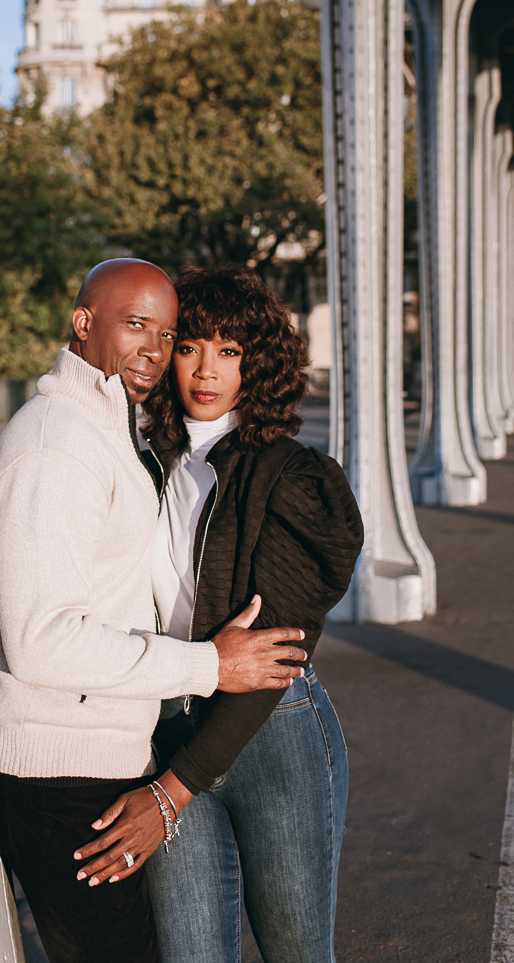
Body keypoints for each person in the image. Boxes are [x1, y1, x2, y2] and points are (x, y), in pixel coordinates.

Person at [0, 259, 309, 963]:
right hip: (59, 771)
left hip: (104, 751)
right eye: (137, 327)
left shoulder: (112, 432)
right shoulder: (54, 445)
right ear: (83, 323)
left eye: (167, 335)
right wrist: (208, 665)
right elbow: (39, 639)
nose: (156, 353)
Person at [73, 264, 364, 963]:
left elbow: (271, 660)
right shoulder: (146, 457)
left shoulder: (293, 478)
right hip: (171, 725)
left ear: (255, 364)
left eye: (229, 352)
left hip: (272, 739)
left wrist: (168, 796)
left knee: (296, 952)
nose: (207, 371)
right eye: (191, 346)